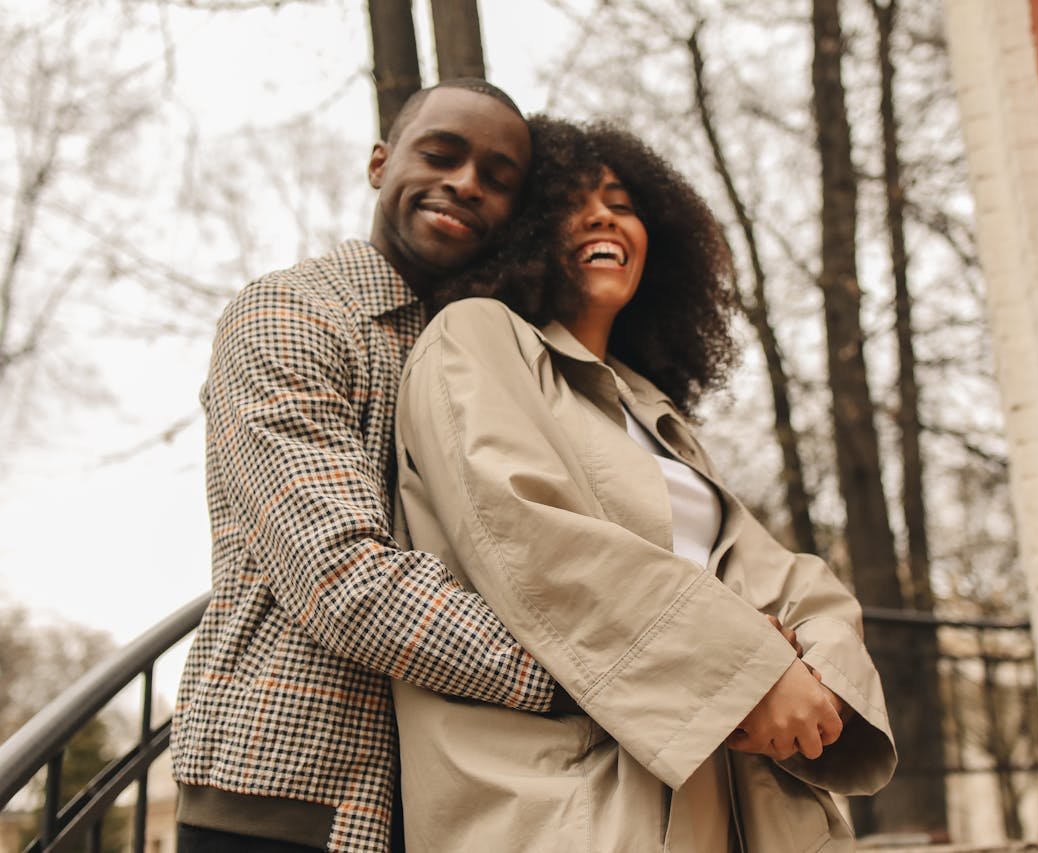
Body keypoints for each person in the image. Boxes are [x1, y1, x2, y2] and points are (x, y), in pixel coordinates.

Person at [392, 117, 897, 852]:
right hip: (575, 801)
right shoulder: (478, 336)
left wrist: (816, 684)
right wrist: (751, 669)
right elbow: (533, 541)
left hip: (740, 801)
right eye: (572, 201)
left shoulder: (654, 412)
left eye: (622, 202)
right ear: (527, 230)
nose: (602, 215)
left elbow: (798, 588)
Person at [171, 80, 566, 853]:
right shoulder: (289, 314)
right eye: (442, 154)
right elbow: (342, 580)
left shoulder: (495, 357)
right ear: (381, 163)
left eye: (497, 177)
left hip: (455, 792)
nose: (465, 183)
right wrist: (591, 672)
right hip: (288, 797)